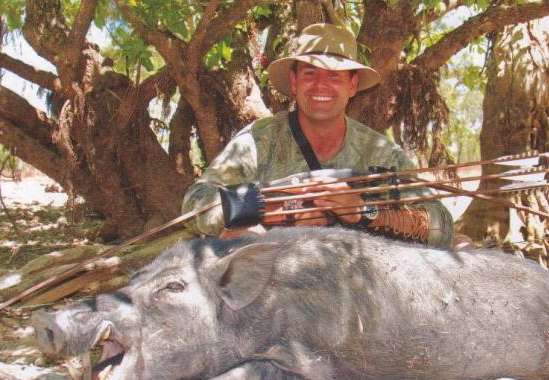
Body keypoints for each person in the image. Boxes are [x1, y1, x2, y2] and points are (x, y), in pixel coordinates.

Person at [182, 23, 454, 247]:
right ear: (294, 82)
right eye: (310, 73)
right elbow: (196, 202)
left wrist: (366, 212)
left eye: (335, 76)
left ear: (353, 85)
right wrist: (270, 211)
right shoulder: (259, 141)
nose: (321, 85)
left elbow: (441, 224)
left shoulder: (381, 152)